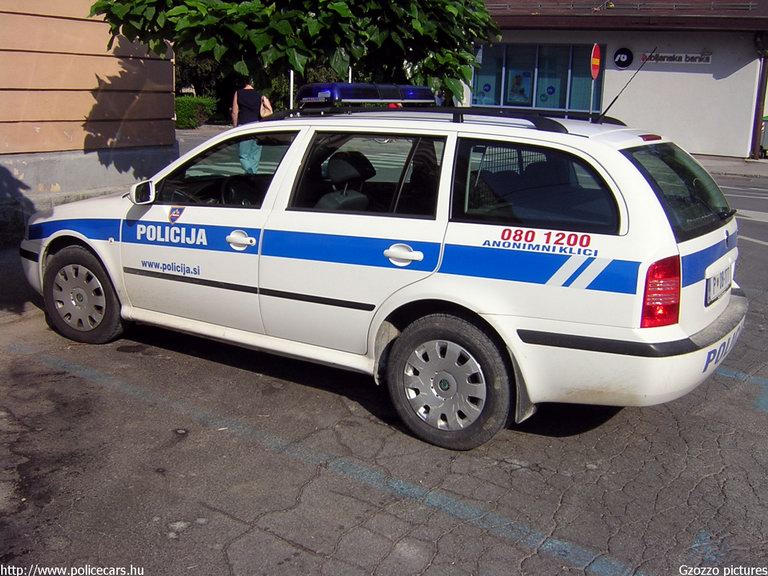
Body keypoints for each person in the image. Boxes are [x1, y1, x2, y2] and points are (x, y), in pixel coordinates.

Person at [231, 79, 273, 174]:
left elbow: (234, 112)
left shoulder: (238, 93)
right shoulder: (259, 94)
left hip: (244, 127)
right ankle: (252, 176)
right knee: (255, 156)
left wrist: (234, 126)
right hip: (258, 126)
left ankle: (250, 173)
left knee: (243, 155)